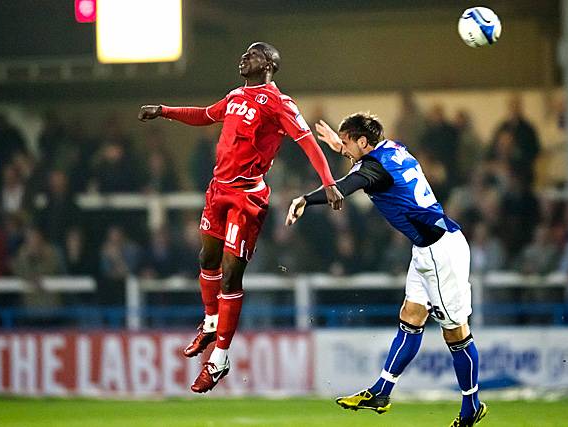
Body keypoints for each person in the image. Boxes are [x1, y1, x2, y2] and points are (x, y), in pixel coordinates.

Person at [138, 41, 343, 393]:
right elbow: (204, 114)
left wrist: (328, 183)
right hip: (218, 189)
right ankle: (210, 321)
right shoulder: (235, 96)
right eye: (244, 52)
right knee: (206, 258)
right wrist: (164, 110)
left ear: (269, 65)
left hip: (247, 195)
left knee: (231, 276)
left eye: (252, 54)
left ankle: (219, 359)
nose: (243, 57)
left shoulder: (279, 103)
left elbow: (308, 142)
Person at [286, 113, 487, 427]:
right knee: (411, 317)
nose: (346, 150)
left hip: (441, 252)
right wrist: (342, 147)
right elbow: (367, 163)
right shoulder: (394, 148)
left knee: (456, 333)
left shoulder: (373, 168)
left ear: (363, 142)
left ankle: (471, 404)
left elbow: (341, 188)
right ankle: (381, 391)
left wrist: (304, 200)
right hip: (426, 249)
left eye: (350, 142)